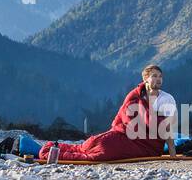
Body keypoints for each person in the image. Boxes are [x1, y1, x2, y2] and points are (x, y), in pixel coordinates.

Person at [38, 64, 178, 163]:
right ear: (145, 79)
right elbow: (123, 119)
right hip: (123, 135)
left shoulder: (166, 99)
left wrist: (173, 154)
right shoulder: (135, 96)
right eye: (154, 76)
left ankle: (56, 152)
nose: (158, 79)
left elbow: (167, 128)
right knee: (88, 146)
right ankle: (55, 147)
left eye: (160, 76)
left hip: (147, 146)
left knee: (100, 154)